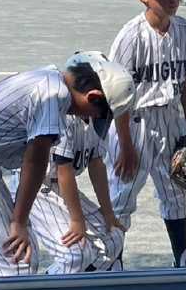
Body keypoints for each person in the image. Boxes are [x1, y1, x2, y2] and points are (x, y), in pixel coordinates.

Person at [0, 53, 134, 277]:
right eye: (99, 114)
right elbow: (35, 161)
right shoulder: (52, 94)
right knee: (15, 265)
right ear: (92, 96)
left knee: (26, 257)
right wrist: (19, 222)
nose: (94, 119)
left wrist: (20, 221)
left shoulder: (50, 81)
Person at [108, 0, 186, 268]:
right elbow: (117, 96)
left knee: (176, 193)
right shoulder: (130, 37)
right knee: (122, 197)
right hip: (133, 122)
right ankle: (113, 261)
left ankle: (183, 257)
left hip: (171, 120)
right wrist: (126, 146)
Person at [11, 52, 134, 275]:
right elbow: (64, 171)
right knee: (76, 255)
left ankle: (80, 286)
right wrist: (77, 221)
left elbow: (96, 164)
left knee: (114, 239)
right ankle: (50, 288)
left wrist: (108, 213)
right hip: (39, 189)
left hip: (61, 189)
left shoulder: (94, 117)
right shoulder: (66, 116)